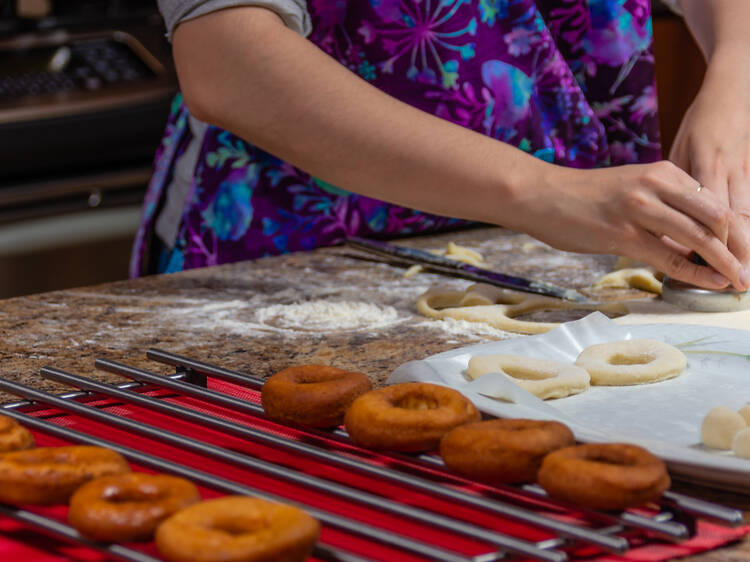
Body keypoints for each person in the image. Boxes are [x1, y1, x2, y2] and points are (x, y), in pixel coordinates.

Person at [130, 0, 750, 292]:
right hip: (307, 266)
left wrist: (733, 77)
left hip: (580, 262)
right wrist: (541, 191)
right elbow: (227, 58)